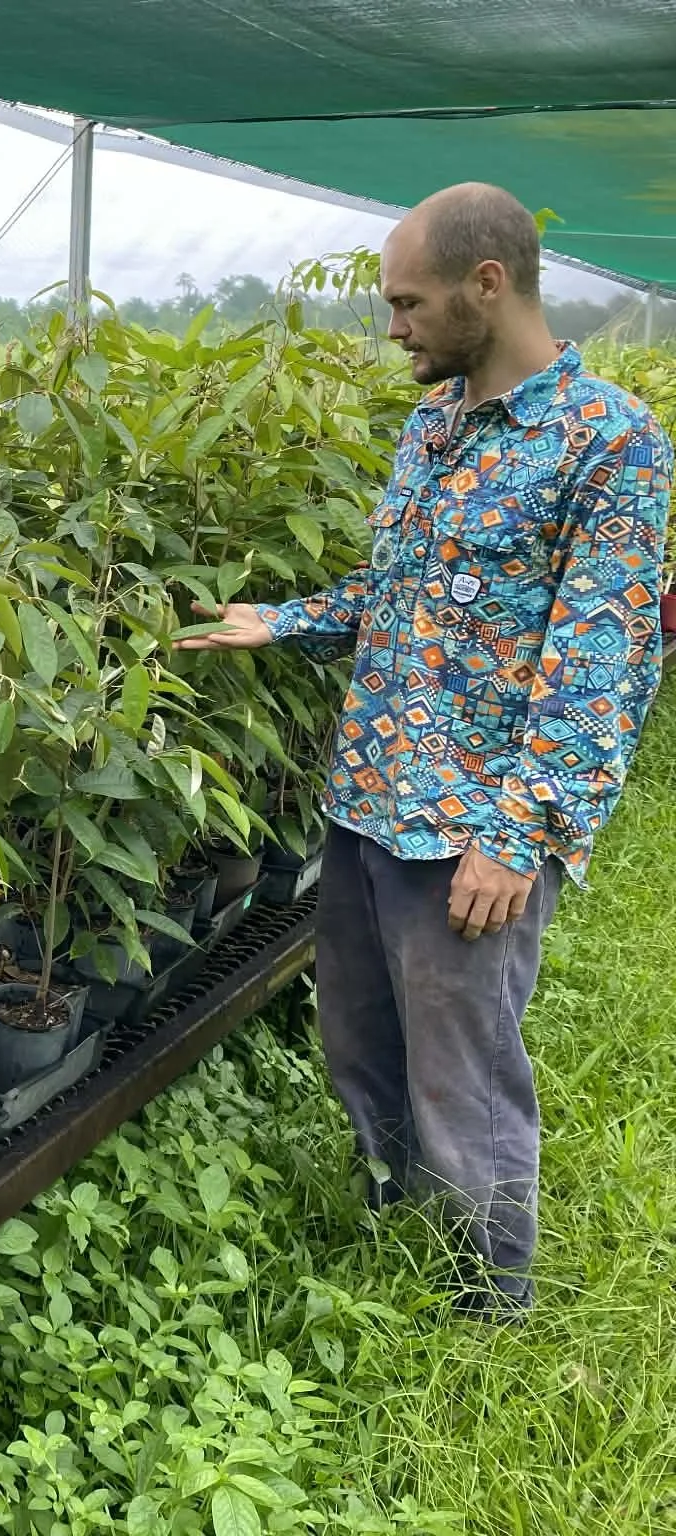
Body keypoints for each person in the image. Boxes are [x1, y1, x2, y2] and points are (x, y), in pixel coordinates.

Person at [179, 183, 672, 1318]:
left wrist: (517, 836)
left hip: (468, 833)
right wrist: (284, 620)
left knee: (463, 1067)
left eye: (405, 303)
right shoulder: (431, 427)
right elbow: (395, 592)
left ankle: (486, 1301)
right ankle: (397, 1219)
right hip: (364, 803)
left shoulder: (605, 443)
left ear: (483, 286)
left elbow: (599, 666)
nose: (390, 326)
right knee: (357, 1035)